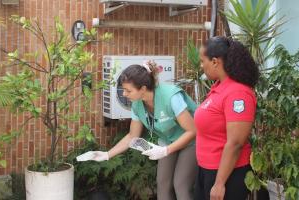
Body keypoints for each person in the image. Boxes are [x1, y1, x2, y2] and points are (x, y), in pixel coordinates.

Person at [80, 61, 198, 200]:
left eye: (128, 90)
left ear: (142, 89)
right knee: (163, 184)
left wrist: (165, 150)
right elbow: (132, 136)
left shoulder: (171, 96)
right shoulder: (137, 105)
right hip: (168, 141)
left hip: (192, 141)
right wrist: (107, 154)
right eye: (123, 90)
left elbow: (193, 130)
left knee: (181, 185)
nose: (124, 94)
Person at [194, 36, 259, 200]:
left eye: (203, 61)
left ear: (215, 62)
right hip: (207, 169)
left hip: (226, 175)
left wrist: (219, 183)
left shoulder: (238, 93)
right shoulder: (218, 87)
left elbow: (236, 142)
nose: (201, 66)